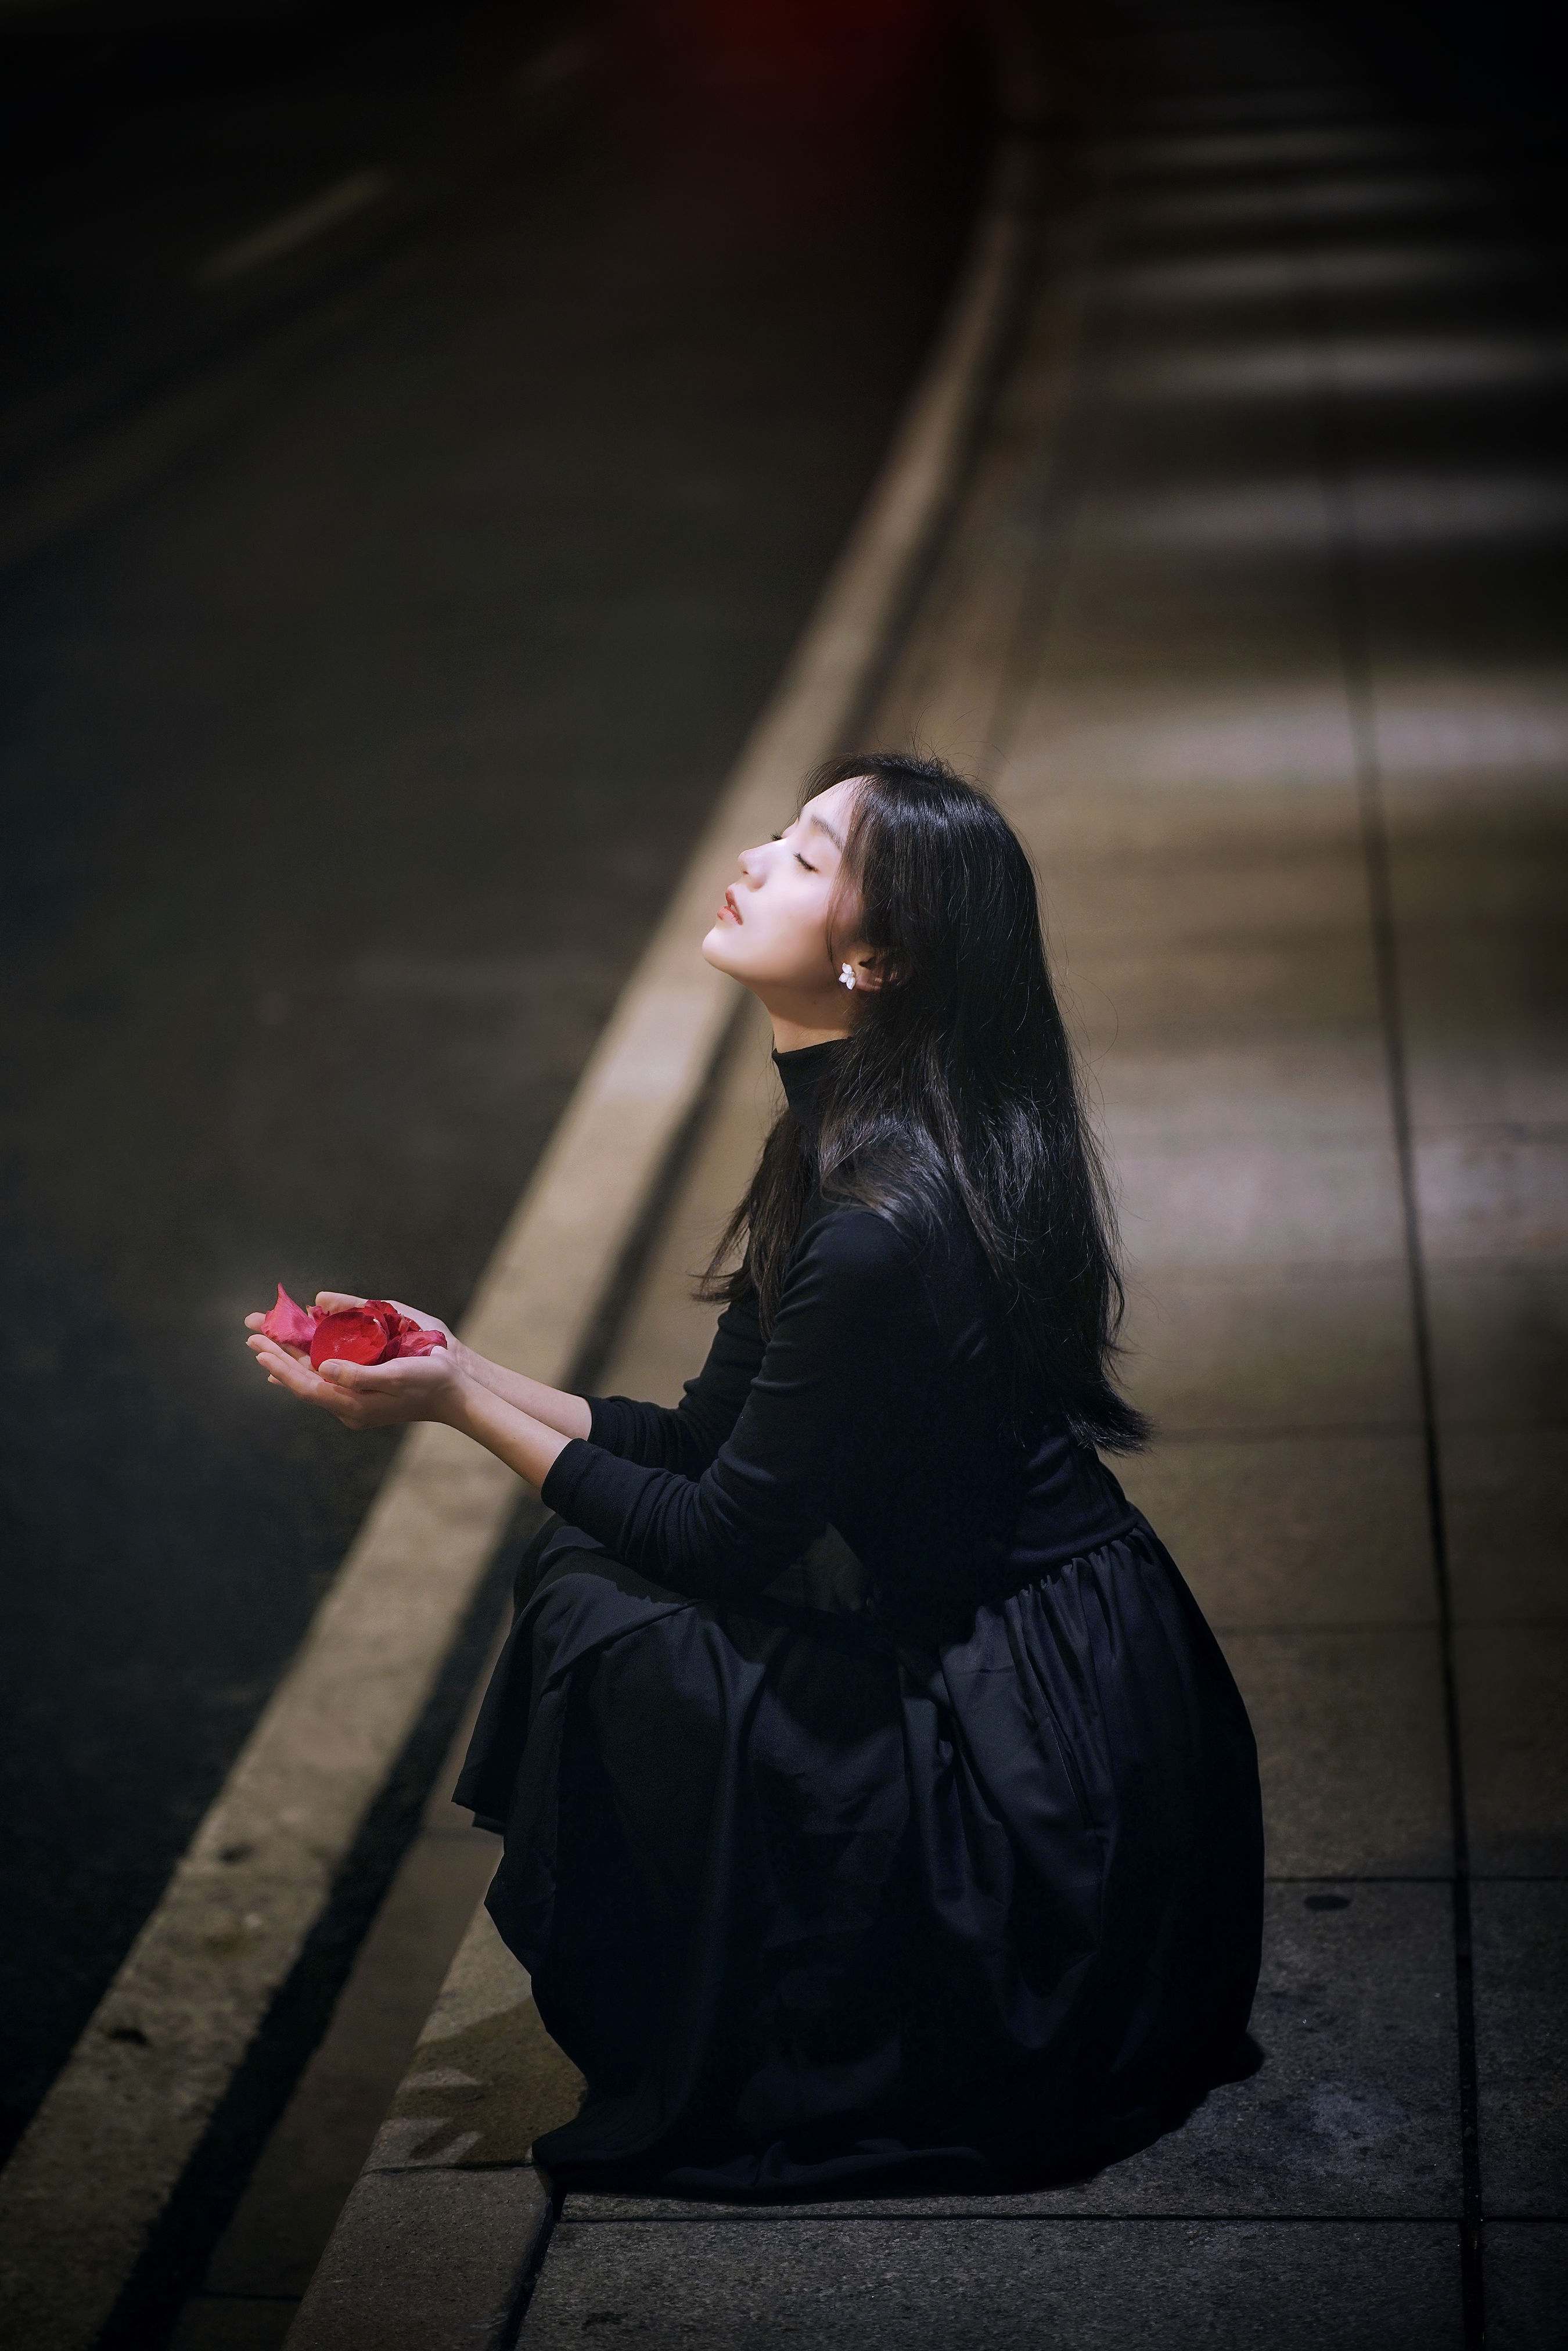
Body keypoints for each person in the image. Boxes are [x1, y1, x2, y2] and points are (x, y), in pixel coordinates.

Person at [246, 751, 1263, 2197]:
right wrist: (458, 1368)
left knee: (608, 1612)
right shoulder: (859, 1137)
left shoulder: (875, 1215)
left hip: (1031, 1730)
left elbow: (723, 1532)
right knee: (595, 1571)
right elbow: (701, 1434)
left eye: (802, 853)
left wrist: (465, 1402)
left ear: (879, 956)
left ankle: (757, 2015)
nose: (755, 853)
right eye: (780, 831)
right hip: (1033, 1640)